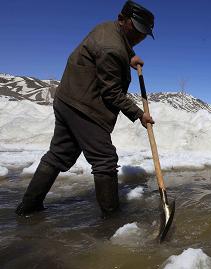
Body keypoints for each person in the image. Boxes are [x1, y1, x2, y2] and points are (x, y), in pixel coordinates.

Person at [16, 1, 155, 218]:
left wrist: (129, 55)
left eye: (144, 33)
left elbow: (113, 49)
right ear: (121, 18)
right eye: (136, 29)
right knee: (105, 160)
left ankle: (28, 207)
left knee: (58, 155)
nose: (139, 36)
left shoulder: (107, 30)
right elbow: (111, 93)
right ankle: (111, 220)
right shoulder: (112, 48)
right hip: (84, 106)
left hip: (68, 99)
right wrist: (139, 114)